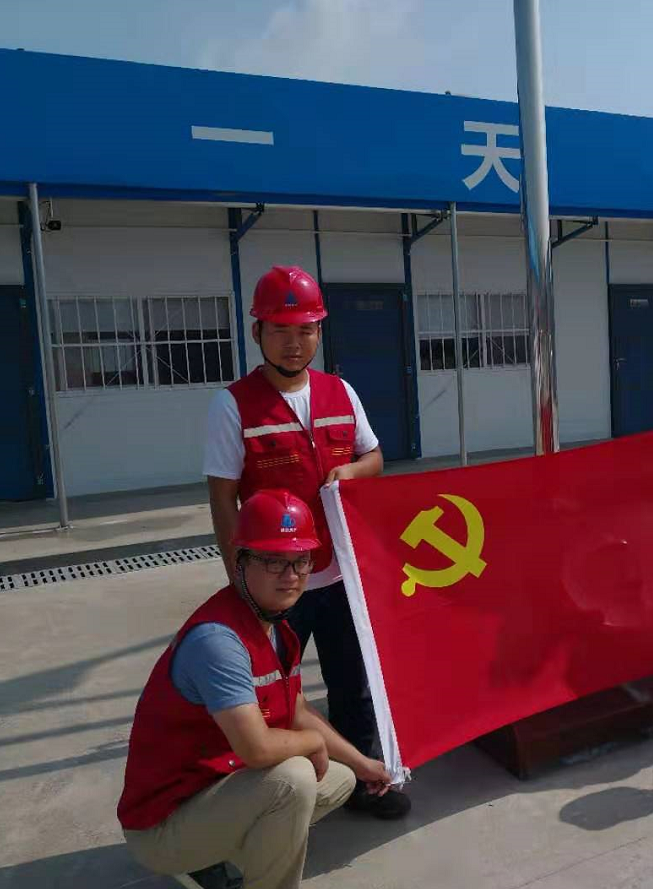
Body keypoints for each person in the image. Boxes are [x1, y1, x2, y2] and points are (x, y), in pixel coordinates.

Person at [203, 266, 408, 820]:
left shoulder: (341, 392)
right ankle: (275, 802)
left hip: (340, 573)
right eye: (280, 330)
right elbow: (222, 500)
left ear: (320, 331)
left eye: (306, 330)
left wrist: (353, 472)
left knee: (353, 685)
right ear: (257, 332)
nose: (294, 342)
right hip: (274, 585)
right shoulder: (233, 405)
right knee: (270, 697)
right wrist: (240, 584)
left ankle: (365, 784)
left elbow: (374, 456)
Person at [118, 490, 395, 889]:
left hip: (213, 789)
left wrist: (363, 763)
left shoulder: (276, 628)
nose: (291, 575)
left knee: (340, 779)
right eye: (273, 561)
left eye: (301, 560)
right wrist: (312, 743)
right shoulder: (219, 641)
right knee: (294, 778)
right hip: (163, 824)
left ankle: (216, 855)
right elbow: (257, 750)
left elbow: (295, 709)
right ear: (240, 561)